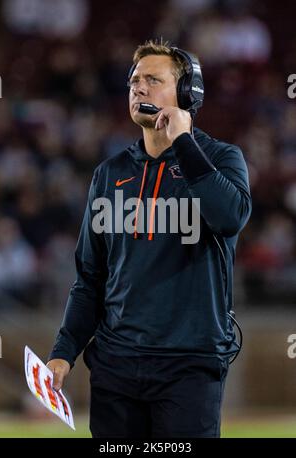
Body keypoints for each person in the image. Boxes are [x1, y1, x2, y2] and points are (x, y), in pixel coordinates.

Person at [46, 39, 252, 438]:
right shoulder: (109, 174)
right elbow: (90, 278)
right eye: (134, 80)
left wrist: (184, 142)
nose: (138, 88)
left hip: (190, 365)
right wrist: (63, 352)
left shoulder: (223, 158)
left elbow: (229, 218)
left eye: (153, 80)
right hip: (115, 366)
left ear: (187, 93)